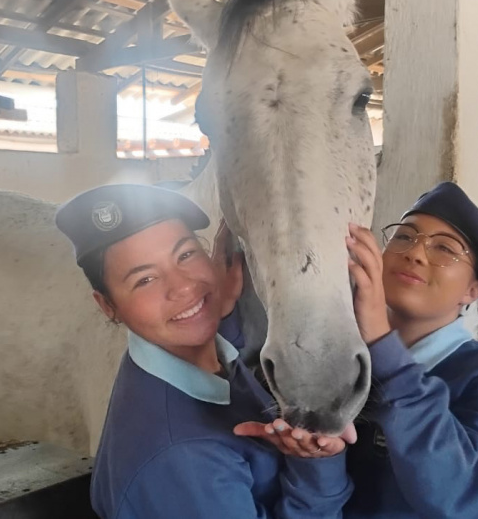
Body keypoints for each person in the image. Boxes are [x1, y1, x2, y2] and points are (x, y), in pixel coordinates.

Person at [54, 184, 355, 519]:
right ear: (108, 306)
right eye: (145, 280)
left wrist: (218, 313)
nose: (183, 286)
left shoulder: (192, 360)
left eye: (185, 255)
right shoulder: (181, 460)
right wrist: (317, 471)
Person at [342, 182, 478, 518]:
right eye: (404, 236)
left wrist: (386, 352)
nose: (415, 253)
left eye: (444, 248)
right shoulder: (344, 361)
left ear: (472, 290)